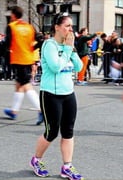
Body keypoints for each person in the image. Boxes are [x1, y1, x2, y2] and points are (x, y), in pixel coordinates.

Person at [30, 12, 84, 180]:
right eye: (67, 26)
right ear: (57, 27)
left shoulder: (67, 45)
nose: (71, 29)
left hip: (68, 93)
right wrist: (67, 48)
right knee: (52, 131)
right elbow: (55, 67)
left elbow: (79, 67)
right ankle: (36, 160)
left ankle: (67, 166)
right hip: (51, 94)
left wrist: (72, 49)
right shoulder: (49, 45)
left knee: (68, 131)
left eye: (71, 26)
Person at [3, 6, 43, 125]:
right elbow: (40, 40)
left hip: (18, 58)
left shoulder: (11, 27)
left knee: (25, 84)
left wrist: (6, 54)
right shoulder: (29, 26)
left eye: (11, 14)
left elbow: (7, 43)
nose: (10, 16)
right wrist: (32, 48)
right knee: (19, 83)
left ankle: (41, 109)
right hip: (28, 58)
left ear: (14, 15)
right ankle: (14, 111)